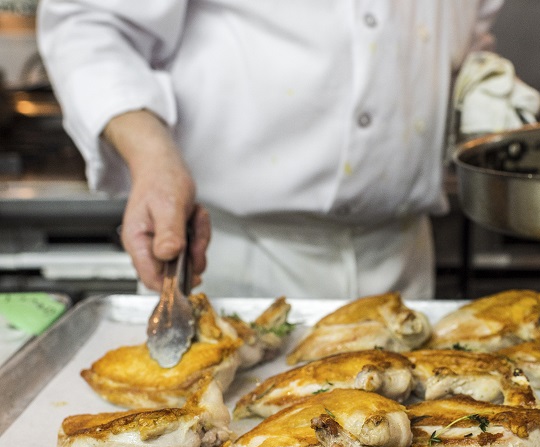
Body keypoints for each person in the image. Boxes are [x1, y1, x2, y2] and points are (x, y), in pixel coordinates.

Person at [36, 1, 506, 299]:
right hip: (233, 260)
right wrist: (152, 157)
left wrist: (480, 85)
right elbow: (90, 24)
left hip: (401, 262)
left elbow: (456, 37)